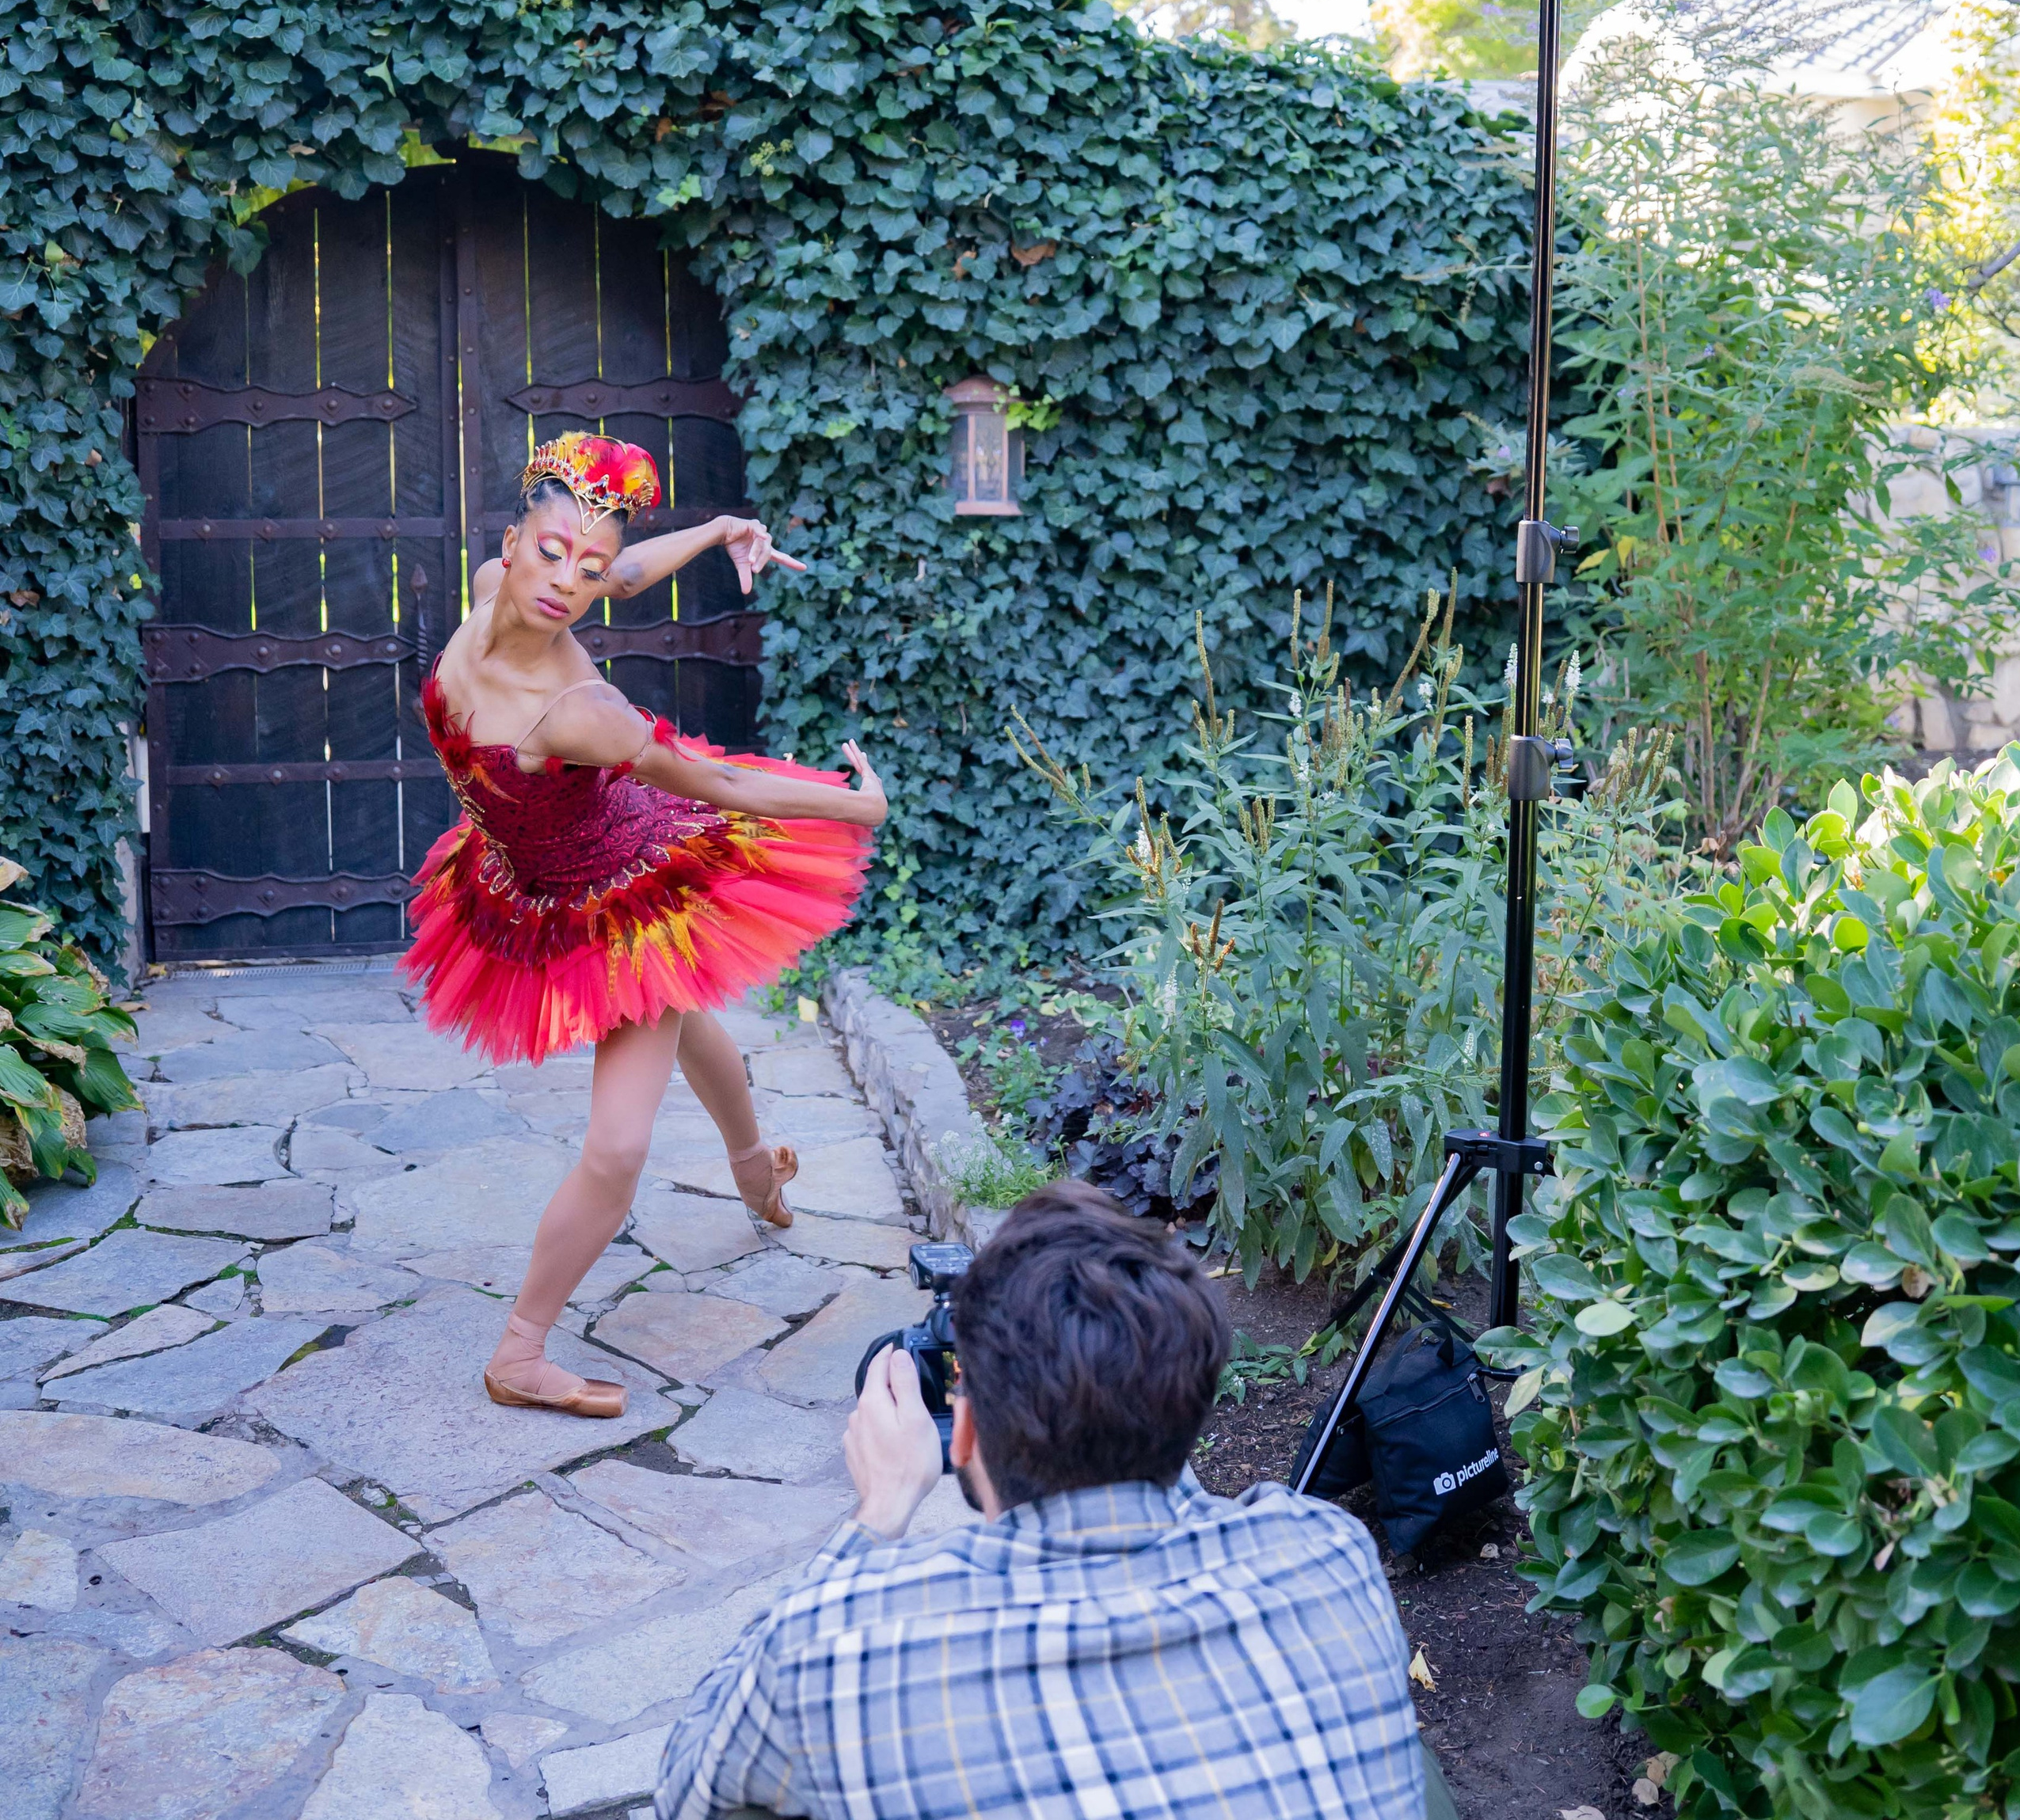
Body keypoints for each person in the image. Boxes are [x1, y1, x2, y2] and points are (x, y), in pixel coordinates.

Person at [655, 1181, 1429, 1820]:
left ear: (961, 1433)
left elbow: (687, 1790)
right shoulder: (1328, 1552)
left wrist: (881, 1507)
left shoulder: (836, 1652)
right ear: (1190, 1401)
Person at [405, 429, 887, 1418]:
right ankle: (758, 1170)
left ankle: (520, 1349)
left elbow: (715, 781)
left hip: (628, 884)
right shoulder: (496, 592)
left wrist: (856, 806)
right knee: (680, 1012)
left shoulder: (587, 709)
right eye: (551, 555)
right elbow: (622, 566)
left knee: (619, 1143)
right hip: (527, 870)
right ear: (509, 542)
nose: (567, 585)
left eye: (583, 574)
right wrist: (717, 529)